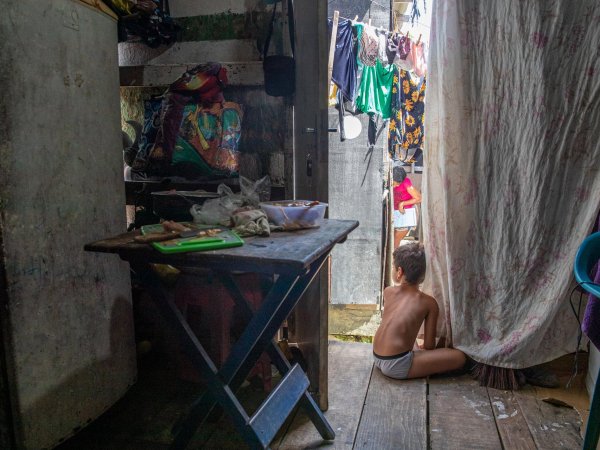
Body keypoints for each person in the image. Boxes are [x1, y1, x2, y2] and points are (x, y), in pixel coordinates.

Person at [373, 243, 466, 379]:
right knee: (460, 357)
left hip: (377, 356)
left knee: (413, 345)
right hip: (397, 364)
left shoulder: (388, 292)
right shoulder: (429, 302)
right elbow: (429, 346)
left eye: (393, 266)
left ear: (399, 272)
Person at [392, 166, 422, 249]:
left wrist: (403, 203)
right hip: (395, 213)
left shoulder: (406, 183)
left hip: (405, 214)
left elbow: (419, 198)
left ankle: (394, 260)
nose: (395, 185)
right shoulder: (388, 181)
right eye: (394, 183)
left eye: (397, 183)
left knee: (395, 240)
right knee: (392, 238)